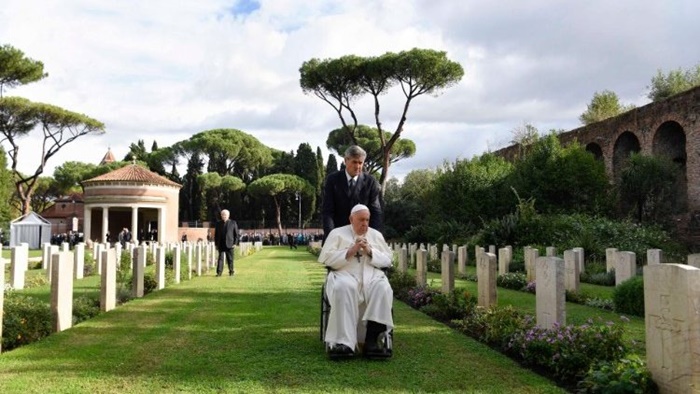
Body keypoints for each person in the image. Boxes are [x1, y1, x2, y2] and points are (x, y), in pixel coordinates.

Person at [318, 203, 393, 359]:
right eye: (361, 220)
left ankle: (371, 341)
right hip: (344, 274)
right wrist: (351, 250)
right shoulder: (337, 234)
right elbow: (327, 260)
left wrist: (370, 251)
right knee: (343, 288)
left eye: (367, 220)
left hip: (371, 275)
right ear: (351, 219)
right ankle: (344, 343)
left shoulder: (376, 235)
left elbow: (387, 260)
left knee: (382, 288)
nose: (364, 223)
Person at [322, 145, 383, 243]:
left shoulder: (370, 182)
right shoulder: (332, 180)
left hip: (363, 238)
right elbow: (328, 212)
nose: (358, 166)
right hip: (338, 236)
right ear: (346, 160)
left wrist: (372, 238)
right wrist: (331, 237)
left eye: (360, 163)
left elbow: (376, 213)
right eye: (354, 162)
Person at [214, 209, 239, 277]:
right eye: (222, 215)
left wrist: (235, 243)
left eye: (225, 215)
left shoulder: (233, 223)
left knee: (230, 259)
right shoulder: (218, 223)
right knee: (220, 259)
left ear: (228, 215)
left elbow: (236, 234)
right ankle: (219, 273)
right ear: (221, 215)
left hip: (230, 244)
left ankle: (231, 271)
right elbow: (216, 235)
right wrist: (216, 244)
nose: (224, 216)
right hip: (221, 244)